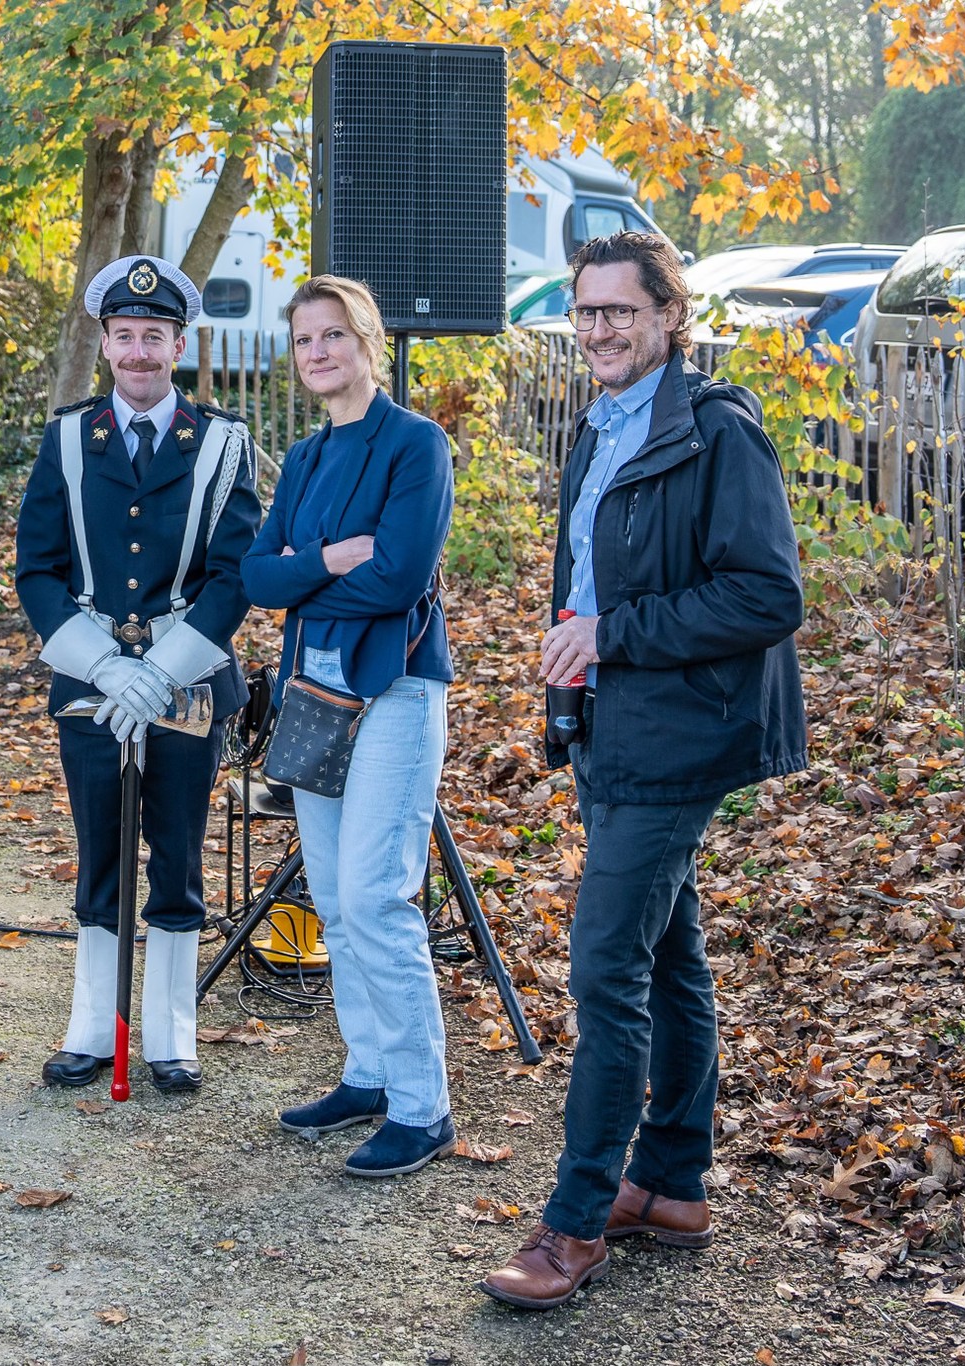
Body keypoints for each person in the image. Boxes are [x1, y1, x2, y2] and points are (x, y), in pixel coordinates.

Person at [480, 231, 808, 1309]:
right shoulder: (596, 424)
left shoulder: (715, 431)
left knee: (602, 966)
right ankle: (670, 1184)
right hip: (606, 731)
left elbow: (765, 595)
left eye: (619, 311)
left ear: (667, 315)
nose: (599, 331)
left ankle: (572, 1224)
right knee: (670, 959)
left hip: (680, 737)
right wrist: (572, 682)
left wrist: (614, 633)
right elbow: (583, 576)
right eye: (584, 313)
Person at [15, 254, 261, 1093]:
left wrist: (158, 671)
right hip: (91, 679)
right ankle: (92, 1025)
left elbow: (236, 574)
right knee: (100, 851)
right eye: (125, 336)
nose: (140, 352)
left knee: (180, 854)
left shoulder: (224, 443)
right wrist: (106, 668)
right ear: (108, 343)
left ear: (179, 343)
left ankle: (170, 1034)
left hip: (187, 681)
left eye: (155, 336)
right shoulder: (66, 438)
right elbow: (37, 572)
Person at [241, 274, 458, 1178]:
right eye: (303, 341)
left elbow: (402, 577)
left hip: (395, 691)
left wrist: (305, 576)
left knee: (374, 897)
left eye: (333, 335)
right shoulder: (303, 459)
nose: (318, 352)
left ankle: (422, 1106)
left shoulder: (417, 445)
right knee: (332, 900)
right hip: (313, 692)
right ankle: (368, 1071)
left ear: (367, 339)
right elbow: (258, 579)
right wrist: (328, 558)